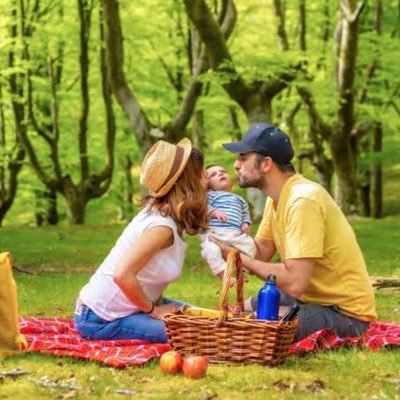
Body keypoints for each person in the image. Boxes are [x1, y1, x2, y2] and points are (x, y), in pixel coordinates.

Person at [219, 122, 377, 342]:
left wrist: (239, 258)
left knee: (253, 328)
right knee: (233, 313)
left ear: (266, 164)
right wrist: (221, 238)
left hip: (344, 314)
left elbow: (294, 281)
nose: (236, 165)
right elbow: (261, 253)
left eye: (243, 158)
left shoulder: (302, 200)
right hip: (309, 298)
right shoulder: (275, 199)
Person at [73, 138, 208, 343]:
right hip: (99, 318)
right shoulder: (161, 227)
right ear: (187, 182)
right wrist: (155, 311)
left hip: (127, 307)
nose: (206, 178)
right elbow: (122, 274)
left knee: (202, 319)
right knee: (195, 335)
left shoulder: (163, 214)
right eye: (201, 173)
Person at [200, 165, 256, 280]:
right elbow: (201, 206)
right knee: (212, 250)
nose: (220, 174)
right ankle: (223, 274)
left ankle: (241, 270)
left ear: (231, 183)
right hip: (215, 234)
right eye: (214, 175)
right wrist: (213, 211)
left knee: (251, 246)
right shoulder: (211, 195)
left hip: (235, 234)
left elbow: (245, 213)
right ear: (208, 186)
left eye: (223, 171)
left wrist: (246, 223)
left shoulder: (240, 199)